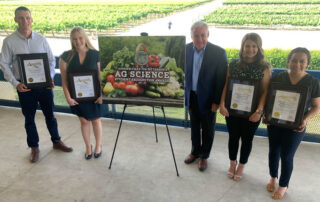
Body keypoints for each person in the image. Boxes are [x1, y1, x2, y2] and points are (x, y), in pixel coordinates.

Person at [0, 6, 73, 163]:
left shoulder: (41, 39)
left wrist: (51, 77)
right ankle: (34, 147)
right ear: (15, 20)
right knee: (29, 119)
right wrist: (15, 83)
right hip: (24, 87)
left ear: (31, 19)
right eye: (20, 18)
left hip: (44, 86)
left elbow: (51, 60)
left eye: (27, 17)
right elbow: (4, 64)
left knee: (50, 116)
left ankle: (56, 141)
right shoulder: (9, 42)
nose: (24, 21)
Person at [265, 47, 320, 199]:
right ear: (289, 61)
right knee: (273, 151)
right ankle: (273, 177)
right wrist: (266, 115)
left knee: (287, 155)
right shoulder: (278, 78)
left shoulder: (313, 82)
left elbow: (316, 107)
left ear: (307, 63)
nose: (297, 64)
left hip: (296, 126)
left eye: (302, 61)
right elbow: (269, 99)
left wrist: (304, 119)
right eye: (294, 60)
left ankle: (283, 185)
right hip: (275, 122)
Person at [219, 33, 272, 181]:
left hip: (252, 112)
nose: (250, 49)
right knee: (233, 138)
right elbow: (226, 85)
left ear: (259, 48)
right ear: (242, 47)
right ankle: (232, 163)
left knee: (247, 140)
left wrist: (259, 111)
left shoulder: (264, 67)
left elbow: (265, 91)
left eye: (254, 46)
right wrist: (222, 104)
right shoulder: (234, 64)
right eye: (247, 45)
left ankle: (241, 165)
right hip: (233, 109)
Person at [184, 21, 228, 171]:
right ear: (191, 36)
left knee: (208, 129)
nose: (200, 39)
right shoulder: (186, 50)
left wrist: (216, 101)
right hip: (191, 97)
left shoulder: (218, 53)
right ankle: (195, 152)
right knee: (194, 127)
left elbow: (221, 80)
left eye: (203, 35)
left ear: (208, 35)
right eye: (196, 35)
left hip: (209, 100)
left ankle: (204, 156)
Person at [60, 27, 105, 160]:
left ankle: (98, 146)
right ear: (71, 40)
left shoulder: (96, 54)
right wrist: (68, 97)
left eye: (80, 38)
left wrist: (102, 95)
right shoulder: (66, 56)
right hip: (78, 97)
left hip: (95, 95)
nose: (78, 41)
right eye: (74, 39)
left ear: (85, 38)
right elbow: (64, 80)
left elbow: (101, 77)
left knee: (96, 121)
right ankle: (87, 147)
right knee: (84, 121)